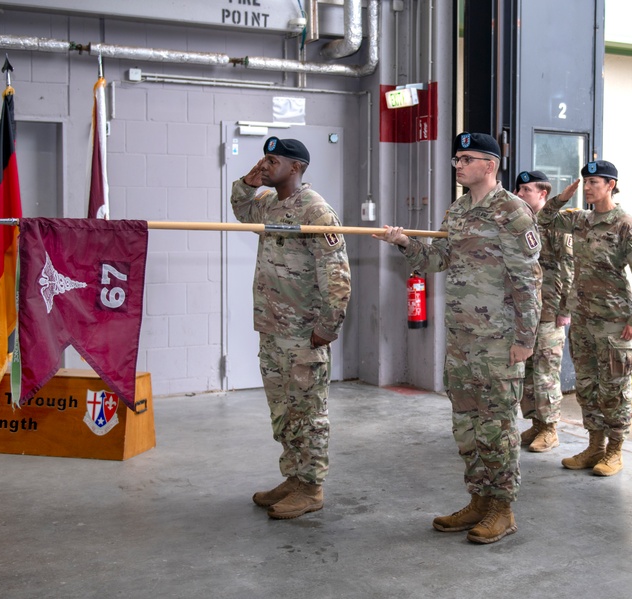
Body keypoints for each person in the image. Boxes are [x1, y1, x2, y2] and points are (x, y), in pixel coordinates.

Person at [374, 132, 542, 544]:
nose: (458, 165)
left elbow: (529, 281)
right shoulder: (459, 211)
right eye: (456, 160)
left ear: (489, 165)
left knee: (498, 426)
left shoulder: (513, 212)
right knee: (466, 424)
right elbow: (438, 260)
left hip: (499, 340)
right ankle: (478, 500)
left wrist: (525, 338)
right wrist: (404, 243)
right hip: (463, 339)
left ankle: (502, 509)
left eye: (466, 159)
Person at [231, 137, 351, 520]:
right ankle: (294, 477)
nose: (265, 166)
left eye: (272, 160)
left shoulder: (316, 211)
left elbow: (336, 273)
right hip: (272, 326)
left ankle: (312, 487)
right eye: (264, 160)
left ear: (295, 167)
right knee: (283, 409)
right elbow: (242, 210)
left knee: (308, 411)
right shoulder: (269, 203)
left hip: (303, 330)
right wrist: (248, 183)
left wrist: (327, 326)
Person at [538, 161, 632, 477]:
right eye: (585, 181)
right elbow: (543, 218)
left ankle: (615, 451)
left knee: (613, 388)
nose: (588, 187)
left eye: (594, 182)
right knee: (587, 385)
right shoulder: (580, 221)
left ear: (611, 185)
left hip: (615, 322)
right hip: (583, 318)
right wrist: (561, 198)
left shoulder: (626, 226)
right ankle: (594, 446)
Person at [514, 170, 574, 453]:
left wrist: (566, 308)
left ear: (543, 194)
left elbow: (569, 268)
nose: (520, 194)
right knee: (525, 369)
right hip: (525, 309)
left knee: (545, 370)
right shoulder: (520, 223)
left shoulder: (557, 224)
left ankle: (550, 428)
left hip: (550, 308)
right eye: (519, 189)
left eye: (526, 190)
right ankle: (535, 423)